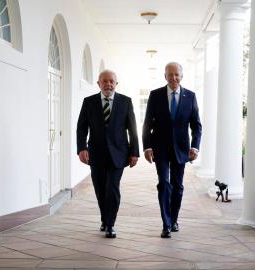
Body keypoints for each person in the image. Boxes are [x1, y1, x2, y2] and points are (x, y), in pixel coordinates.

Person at [76, 70, 139, 238]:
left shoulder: (125, 102)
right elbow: (81, 127)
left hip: (119, 154)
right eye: (104, 81)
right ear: (98, 83)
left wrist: (134, 152)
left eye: (111, 81)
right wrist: (82, 148)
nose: (108, 84)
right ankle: (104, 218)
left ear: (116, 84)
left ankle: (110, 224)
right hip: (95, 153)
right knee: (100, 189)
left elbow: (132, 129)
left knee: (112, 188)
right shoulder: (88, 102)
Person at [142, 62, 202, 238]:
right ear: (165, 76)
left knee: (178, 186)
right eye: (170, 74)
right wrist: (147, 147)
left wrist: (195, 146)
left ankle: (174, 219)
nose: (173, 78)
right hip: (160, 148)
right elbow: (147, 123)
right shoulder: (155, 95)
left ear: (181, 76)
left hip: (182, 149)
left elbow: (196, 125)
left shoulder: (190, 96)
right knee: (164, 184)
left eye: (177, 75)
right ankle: (166, 224)